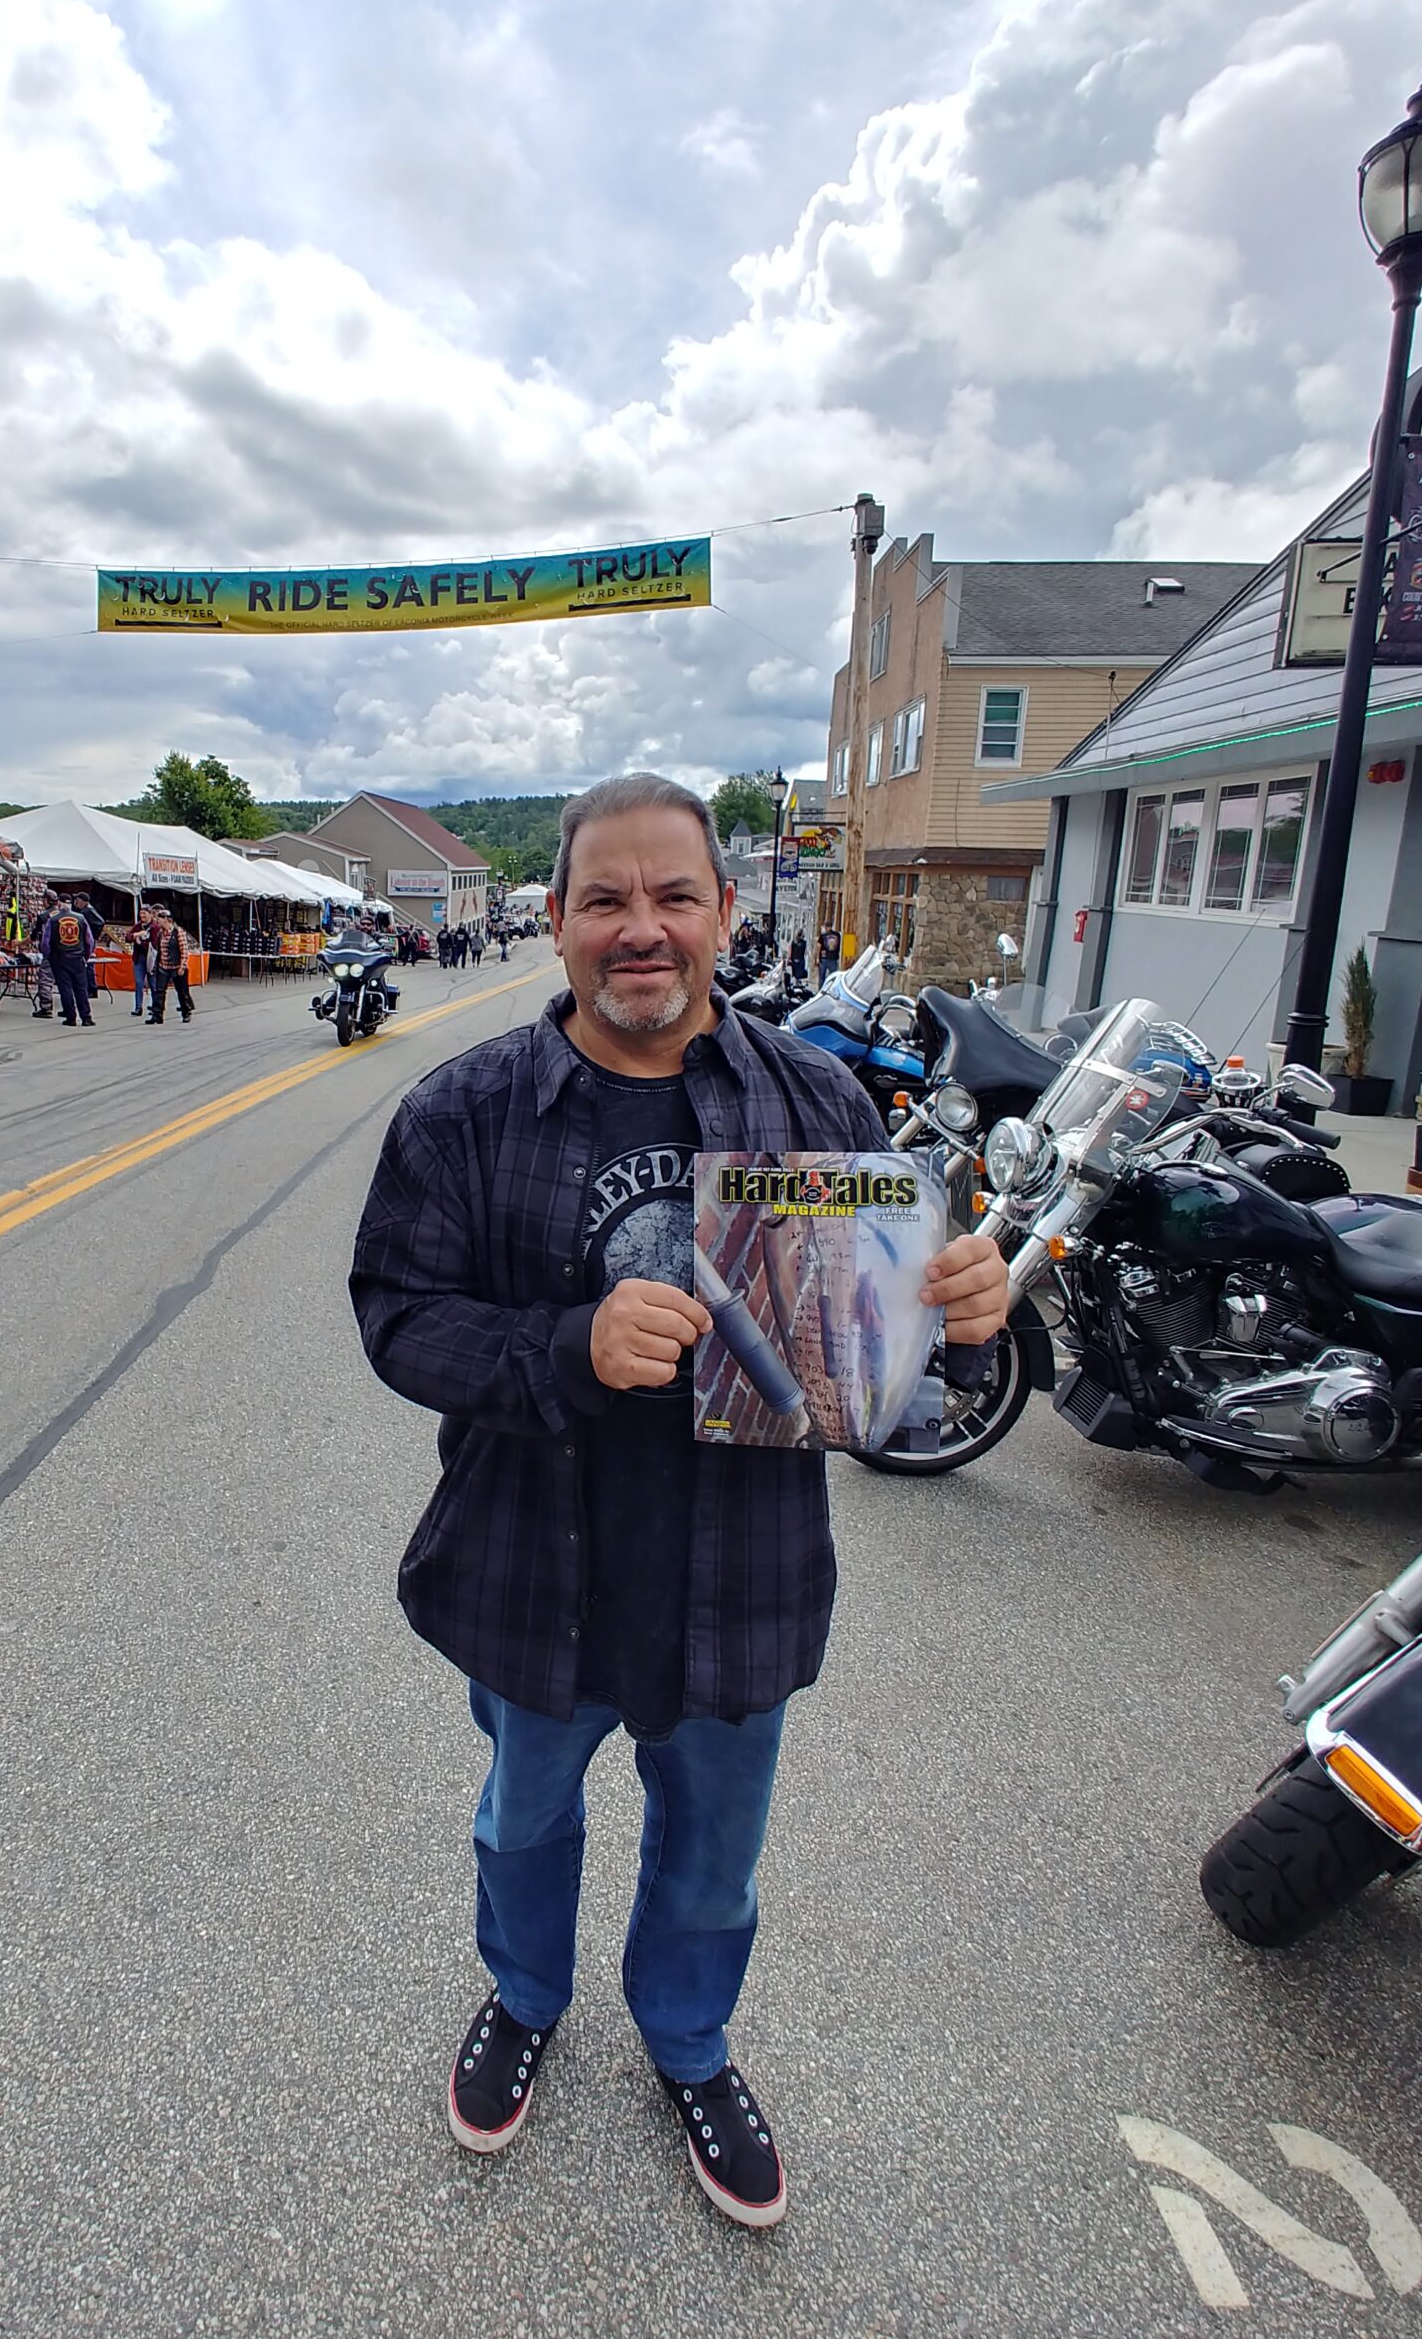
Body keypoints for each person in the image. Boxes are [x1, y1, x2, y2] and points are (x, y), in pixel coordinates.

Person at [350, 773, 1005, 2231]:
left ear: (720, 913)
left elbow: (881, 1375)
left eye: (672, 897)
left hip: (740, 1575)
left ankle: (690, 2045)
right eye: (604, 899)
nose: (640, 929)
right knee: (524, 1822)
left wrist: (950, 1316)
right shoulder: (467, 1112)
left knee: (713, 1855)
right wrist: (563, 1346)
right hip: (534, 1569)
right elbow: (397, 1314)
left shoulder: (816, 1097)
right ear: (558, 918)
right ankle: (524, 1999)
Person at [42, 896, 97, 1026]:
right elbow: (89, 941)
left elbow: (46, 942)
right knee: (81, 988)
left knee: (65, 988)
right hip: (78, 957)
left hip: (60, 958)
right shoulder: (81, 918)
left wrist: (49, 956)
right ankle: (86, 1017)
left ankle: (70, 1017)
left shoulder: (53, 919)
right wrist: (86, 956)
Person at [149, 904, 195, 1023]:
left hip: (176, 967)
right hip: (163, 966)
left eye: (159, 918)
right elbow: (158, 950)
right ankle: (157, 1015)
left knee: (181, 991)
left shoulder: (178, 932)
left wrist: (182, 966)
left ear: (167, 920)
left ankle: (186, 1012)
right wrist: (156, 965)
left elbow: (184, 950)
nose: (157, 921)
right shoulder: (160, 934)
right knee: (159, 991)